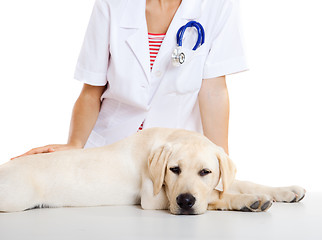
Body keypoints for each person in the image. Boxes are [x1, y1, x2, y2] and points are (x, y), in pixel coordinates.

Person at [13, 0, 248, 159]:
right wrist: (75, 145)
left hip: (178, 157)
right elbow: (91, 91)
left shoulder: (217, 5)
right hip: (111, 154)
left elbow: (214, 91)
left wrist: (220, 159)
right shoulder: (112, 4)